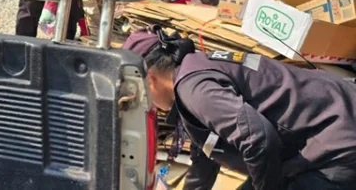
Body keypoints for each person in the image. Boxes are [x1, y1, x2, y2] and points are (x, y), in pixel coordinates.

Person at [123, 26, 356, 190]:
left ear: (150, 79)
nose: (145, 104)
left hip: (335, 144)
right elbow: (206, 152)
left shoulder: (193, 89)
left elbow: (258, 138)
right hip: (336, 118)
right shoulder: (195, 67)